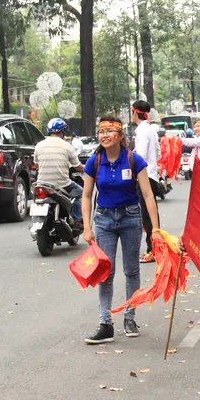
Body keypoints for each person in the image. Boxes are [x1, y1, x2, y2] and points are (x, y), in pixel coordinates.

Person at [81, 115, 161, 344]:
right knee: (106, 272)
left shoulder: (133, 160)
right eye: (101, 131)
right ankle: (105, 323)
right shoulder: (94, 161)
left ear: (120, 135)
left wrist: (154, 228)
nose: (104, 135)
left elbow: (148, 195)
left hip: (130, 218)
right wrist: (87, 227)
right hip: (104, 219)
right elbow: (86, 196)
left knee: (132, 270)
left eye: (109, 131)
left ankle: (130, 316)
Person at [33, 117, 83, 228]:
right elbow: (78, 167)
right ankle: (78, 220)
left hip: (42, 184)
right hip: (62, 185)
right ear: (63, 131)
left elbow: (37, 165)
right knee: (81, 193)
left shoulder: (39, 145)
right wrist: (88, 168)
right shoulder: (67, 146)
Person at [131, 100, 161, 263]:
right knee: (150, 213)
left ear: (135, 112)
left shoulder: (142, 130)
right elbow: (158, 154)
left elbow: (140, 156)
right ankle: (155, 248)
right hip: (152, 174)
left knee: (147, 215)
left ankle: (153, 249)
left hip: (144, 176)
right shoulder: (150, 129)